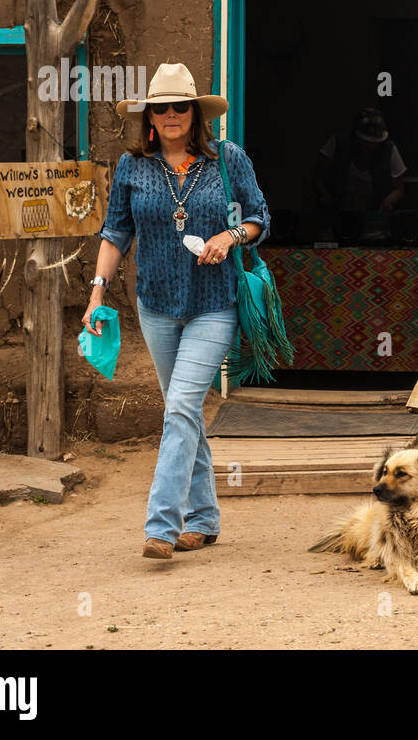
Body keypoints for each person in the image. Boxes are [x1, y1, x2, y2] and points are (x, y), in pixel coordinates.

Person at [83, 62, 270, 560]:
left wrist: (229, 238)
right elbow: (115, 232)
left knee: (182, 408)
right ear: (149, 115)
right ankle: (205, 519)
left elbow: (258, 217)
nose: (171, 115)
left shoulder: (227, 160)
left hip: (214, 304)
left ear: (195, 112)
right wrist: (98, 290)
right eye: (161, 107)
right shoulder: (133, 167)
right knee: (183, 413)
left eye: (180, 106)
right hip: (157, 307)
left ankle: (161, 526)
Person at [315, 107, 407, 239]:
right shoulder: (338, 143)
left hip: (373, 224)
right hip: (336, 220)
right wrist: (326, 196)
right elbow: (317, 179)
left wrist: (390, 199)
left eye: (375, 143)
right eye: (366, 142)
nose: (371, 146)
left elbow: (399, 188)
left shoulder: (389, 150)